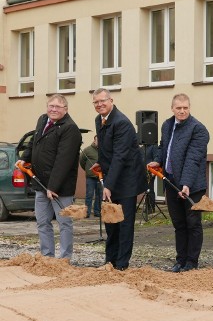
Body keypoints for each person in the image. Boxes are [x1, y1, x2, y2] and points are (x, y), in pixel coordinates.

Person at [148, 94, 210, 272]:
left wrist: (186, 184)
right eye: (179, 108)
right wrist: (158, 161)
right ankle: (180, 260)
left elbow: (194, 158)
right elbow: (163, 147)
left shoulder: (198, 129)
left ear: (189, 108)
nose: (182, 111)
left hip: (191, 185)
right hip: (171, 181)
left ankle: (191, 262)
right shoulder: (167, 125)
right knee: (179, 224)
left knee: (192, 223)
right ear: (172, 108)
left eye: (185, 108)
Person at [17, 94, 82, 259]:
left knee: (64, 223)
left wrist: (53, 187)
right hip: (40, 182)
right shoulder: (43, 119)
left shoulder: (70, 128)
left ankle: (65, 258)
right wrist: (24, 158)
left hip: (60, 188)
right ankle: (47, 256)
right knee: (42, 222)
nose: (53, 109)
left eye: (58, 107)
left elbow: (64, 161)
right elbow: (34, 142)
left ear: (65, 109)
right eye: (51, 106)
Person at [91, 88, 146, 270]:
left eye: (102, 101)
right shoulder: (100, 120)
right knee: (110, 223)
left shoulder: (121, 122)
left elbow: (120, 156)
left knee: (124, 225)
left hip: (127, 181)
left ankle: (122, 265)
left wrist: (108, 185)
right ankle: (110, 262)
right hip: (112, 178)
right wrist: (100, 163)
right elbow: (107, 150)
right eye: (96, 102)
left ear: (111, 100)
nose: (100, 105)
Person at [79, 135, 101, 218]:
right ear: (94, 141)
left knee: (100, 194)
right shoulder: (87, 150)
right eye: (97, 140)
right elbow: (82, 161)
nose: (99, 142)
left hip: (100, 176)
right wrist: (88, 170)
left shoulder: (103, 150)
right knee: (89, 194)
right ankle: (86, 212)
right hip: (90, 176)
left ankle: (97, 211)